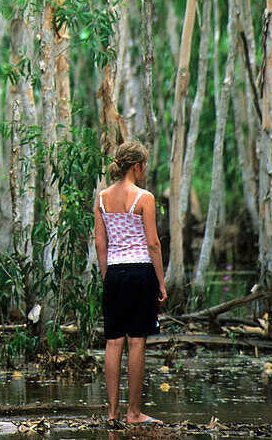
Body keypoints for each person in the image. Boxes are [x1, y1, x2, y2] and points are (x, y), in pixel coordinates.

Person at [94, 140, 167, 427]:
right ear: (136, 166)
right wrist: (160, 283)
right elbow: (153, 244)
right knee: (137, 341)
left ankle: (112, 413)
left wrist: (107, 278)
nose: (144, 170)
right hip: (140, 273)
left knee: (113, 341)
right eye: (143, 166)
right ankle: (133, 413)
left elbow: (101, 245)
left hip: (114, 273)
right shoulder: (144, 197)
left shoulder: (101, 198)